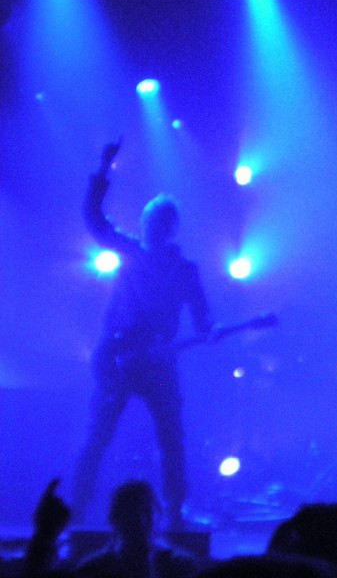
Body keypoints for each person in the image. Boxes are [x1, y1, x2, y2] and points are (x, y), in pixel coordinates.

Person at [71, 140, 213, 528]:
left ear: (170, 229)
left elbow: (203, 319)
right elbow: (93, 218)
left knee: (172, 438)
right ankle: (76, 510)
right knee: (99, 434)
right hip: (118, 357)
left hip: (160, 362)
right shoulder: (129, 251)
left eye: (160, 223)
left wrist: (208, 332)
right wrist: (103, 168)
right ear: (144, 224)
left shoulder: (186, 272)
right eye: (149, 221)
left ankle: (176, 510)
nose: (152, 228)